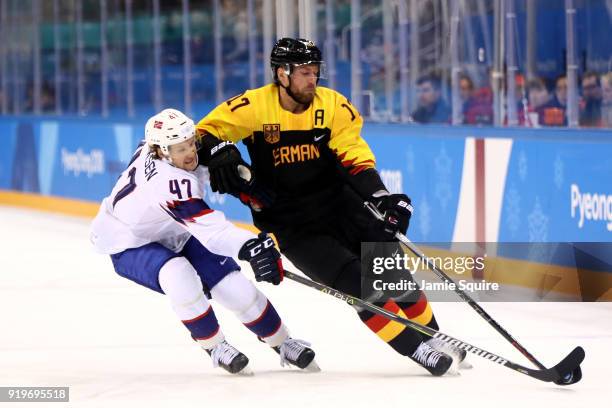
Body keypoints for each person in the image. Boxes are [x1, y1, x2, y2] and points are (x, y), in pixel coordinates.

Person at [195, 38, 466, 376]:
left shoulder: (334, 106)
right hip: (293, 224)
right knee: (360, 286)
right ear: (282, 74)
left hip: (343, 205)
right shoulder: (252, 107)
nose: (313, 79)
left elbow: (354, 155)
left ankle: (434, 336)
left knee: (392, 273)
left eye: (315, 72)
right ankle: (418, 349)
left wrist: (381, 197)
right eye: (305, 73)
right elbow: (203, 133)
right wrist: (219, 149)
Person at [90, 108, 317, 375]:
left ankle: (282, 342)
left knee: (235, 288)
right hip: (128, 240)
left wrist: (220, 152)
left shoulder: (151, 147)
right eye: (179, 149)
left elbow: (203, 145)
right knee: (178, 275)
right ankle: (215, 346)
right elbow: (214, 232)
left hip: (174, 229)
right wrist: (251, 247)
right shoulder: (168, 184)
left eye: (190, 144)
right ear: (162, 151)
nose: (189, 153)